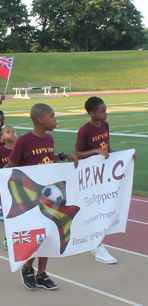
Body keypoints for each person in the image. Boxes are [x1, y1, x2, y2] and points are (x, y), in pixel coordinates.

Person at [0, 103, 78, 291]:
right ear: (40, 119)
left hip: (50, 195)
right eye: (52, 116)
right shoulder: (24, 141)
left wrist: (63, 156)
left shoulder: (49, 139)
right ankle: (28, 268)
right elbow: (12, 163)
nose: (55, 120)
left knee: (49, 233)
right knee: (37, 236)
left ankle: (42, 273)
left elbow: (47, 159)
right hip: (32, 198)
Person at [74, 96, 137, 264]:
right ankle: (96, 245)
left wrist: (125, 157)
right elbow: (77, 154)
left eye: (106, 110)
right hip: (91, 175)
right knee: (92, 208)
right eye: (102, 112)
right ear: (92, 113)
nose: (105, 114)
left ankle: (95, 242)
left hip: (104, 173)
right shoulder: (84, 130)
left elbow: (107, 149)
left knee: (102, 206)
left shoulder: (106, 126)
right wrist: (95, 152)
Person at [0, 125, 17, 249]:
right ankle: (8, 237)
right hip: (5, 187)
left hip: (18, 186)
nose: (11, 133)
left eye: (13, 131)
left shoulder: (20, 150)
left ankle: (19, 236)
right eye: (8, 132)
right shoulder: (0, 151)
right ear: (2, 137)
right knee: (9, 214)